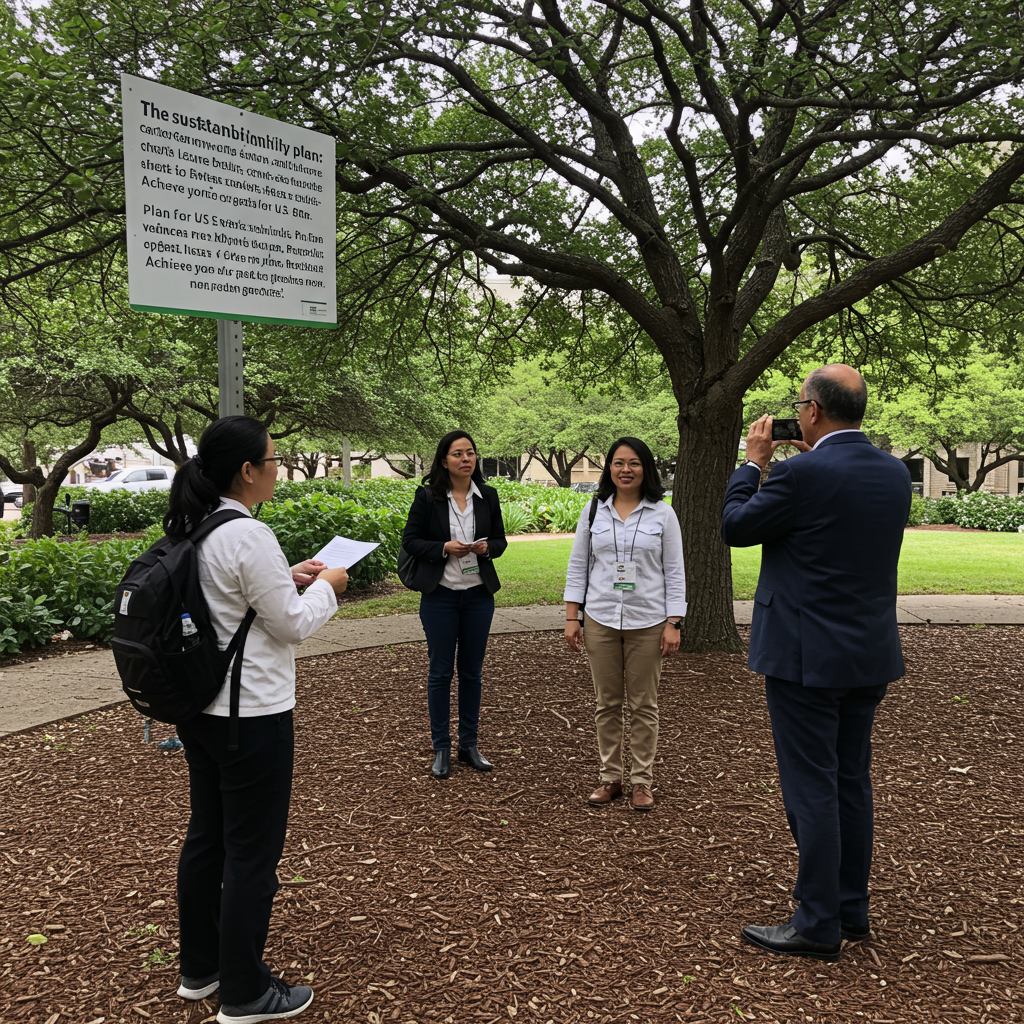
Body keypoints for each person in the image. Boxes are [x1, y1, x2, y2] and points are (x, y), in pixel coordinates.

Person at [721, 364, 912, 962]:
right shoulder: (894, 472)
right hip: (869, 652)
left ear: (811, 411)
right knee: (851, 780)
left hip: (805, 654)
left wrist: (753, 463)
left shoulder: (799, 472)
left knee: (812, 786)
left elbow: (735, 526)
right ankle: (851, 908)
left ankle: (817, 922)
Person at [165, 416, 349, 1023]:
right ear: (248, 471)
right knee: (252, 852)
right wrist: (332, 586)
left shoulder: (198, 524)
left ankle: (202, 969)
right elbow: (292, 624)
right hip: (252, 715)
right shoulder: (246, 534)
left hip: (202, 711)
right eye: (273, 459)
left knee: (209, 837)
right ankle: (245, 992)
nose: (278, 466)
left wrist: (291, 577)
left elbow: (237, 599)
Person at [563, 437, 686, 812]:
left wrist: (673, 622)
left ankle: (642, 782)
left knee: (644, 705)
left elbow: (675, 572)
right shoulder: (593, 511)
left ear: (645, 468)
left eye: (634, 463)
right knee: (607, 702)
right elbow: (578, 566)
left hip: (648, 621)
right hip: (600, 617)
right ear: (609, 469)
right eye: (618, 463)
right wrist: (572, 617)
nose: (626, 469)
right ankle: (610, 777)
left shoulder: (663, 514)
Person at [401, 431, 508, 779]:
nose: (466, 459)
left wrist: (486, 548)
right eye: (458, 453)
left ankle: (469, 745)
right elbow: (411, 541)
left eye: (471, 453)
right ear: (444, 459)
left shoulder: (487, 496)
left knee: (472, 673)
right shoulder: (428, 496)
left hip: (478, 596)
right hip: (441, 596)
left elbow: (500, 540)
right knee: (440, 672)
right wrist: (444, 548)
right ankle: (441, 748)